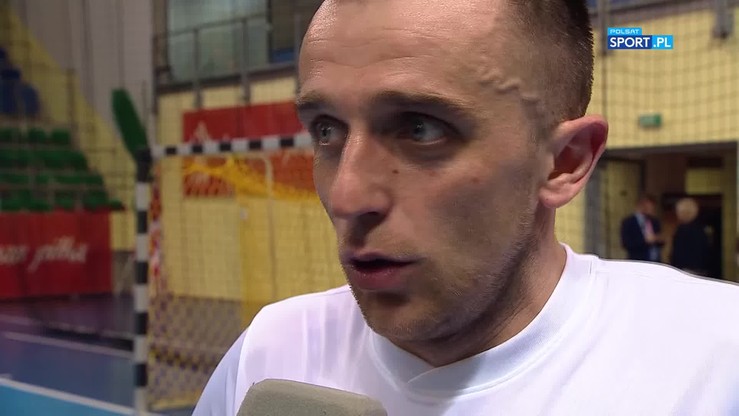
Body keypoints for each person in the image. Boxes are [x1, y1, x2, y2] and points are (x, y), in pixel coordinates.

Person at [194, 0, 739, 414]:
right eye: (327, 129)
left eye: (420, 129)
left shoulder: (716, 362)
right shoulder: (269, 351)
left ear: (563, 162)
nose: (346, 197)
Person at [670, 197, 710, 276]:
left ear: (685, 213)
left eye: (678, 212)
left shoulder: (683, 229)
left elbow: (679, 253)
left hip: (686, 270)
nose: (677, 214)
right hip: (700, 270)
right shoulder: (701, 228)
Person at [620, 194, 664, 262]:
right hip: (638, 260)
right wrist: (644, 241)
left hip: (655, 261)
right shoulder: (628, 222)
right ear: (641, 206)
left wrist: (659, 239)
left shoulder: (655, 221)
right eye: (649, 207)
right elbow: (626, 243)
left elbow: (660, 241)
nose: (652, 209)